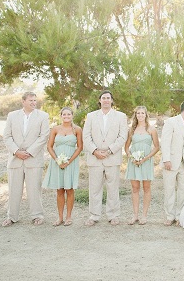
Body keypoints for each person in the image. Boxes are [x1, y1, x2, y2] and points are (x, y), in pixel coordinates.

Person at [2, 92, 50, 226]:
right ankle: (11, 216)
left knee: (35, 189)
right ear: (23, 101)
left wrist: (28, 152)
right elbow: (7, 136)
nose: (34, 103)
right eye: (31, 100)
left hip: (33, 159)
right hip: (15, 159)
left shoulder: (43, 116)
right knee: (13, 189)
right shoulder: (12, 116)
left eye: (35, 100)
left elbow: (44, 136)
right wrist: (16, 151)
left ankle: (37, 215)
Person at [83, 90, 128, 226]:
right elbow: (86, 136)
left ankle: (113, 214)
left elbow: (122, 136)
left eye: (108, 98)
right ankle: (94, 215)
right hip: (95, 158)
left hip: (112, 157)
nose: (106, 100)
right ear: (100, 100)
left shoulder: (121, 116)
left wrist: (109, 151)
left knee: (113, 187)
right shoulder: (91, 116)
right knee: (94, 188)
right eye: (104, 98)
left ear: (112, 100)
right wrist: (94, 150)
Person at [42, 107, 83, 227]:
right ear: (61, 116)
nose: (66, 116)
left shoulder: (77, 129)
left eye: (68, 114)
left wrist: (69, 161)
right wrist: (56, 160)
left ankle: (69, 217)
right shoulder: (55, 129)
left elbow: (80, 147)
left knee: (69, 190)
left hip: (71, 162)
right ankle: (60, 217)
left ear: (72, 116)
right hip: (57, 163)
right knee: (59, 190)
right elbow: (49, 146)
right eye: (64, 114)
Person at [160, 101, 184, 226]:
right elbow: (165, 141)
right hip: (170, 162)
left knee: (183, 191)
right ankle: (170, 216)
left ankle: (180, 215)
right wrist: (166, 159)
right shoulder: (171, 122)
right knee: (169, 190)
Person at [124, 106, 160, 225]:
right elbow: (126, 147)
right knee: (135, 188)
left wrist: (146, 158)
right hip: (134, 161)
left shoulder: (151, 129)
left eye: (142, 113)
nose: (140, 115)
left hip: (146, 161)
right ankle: (135, 215)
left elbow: (156, 147)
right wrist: (131, 157)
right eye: (138, 113)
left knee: (146, 188)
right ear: (135, 115)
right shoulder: (131, 130)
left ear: (146, 115)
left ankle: (144, 215)